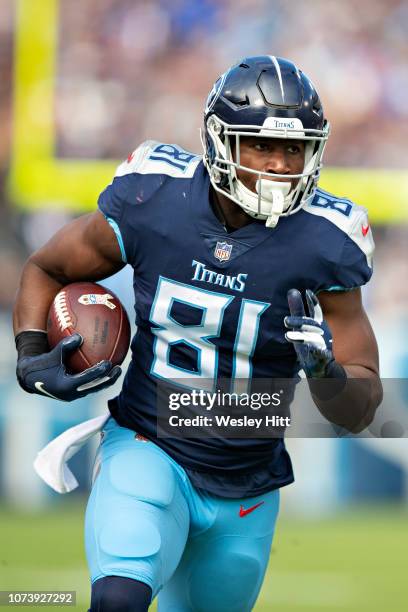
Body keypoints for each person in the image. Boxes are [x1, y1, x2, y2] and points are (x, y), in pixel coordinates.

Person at [13, 56, 382, 611]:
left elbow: (363, 405)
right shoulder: (153, 200)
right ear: (220, 141)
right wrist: (31, 353)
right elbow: (47, 267)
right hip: (148, 444)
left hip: (248, 485)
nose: (281, 165)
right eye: (261, 145)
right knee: (117, 600)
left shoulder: (325, 244)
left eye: (293, 149)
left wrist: (327, 375)